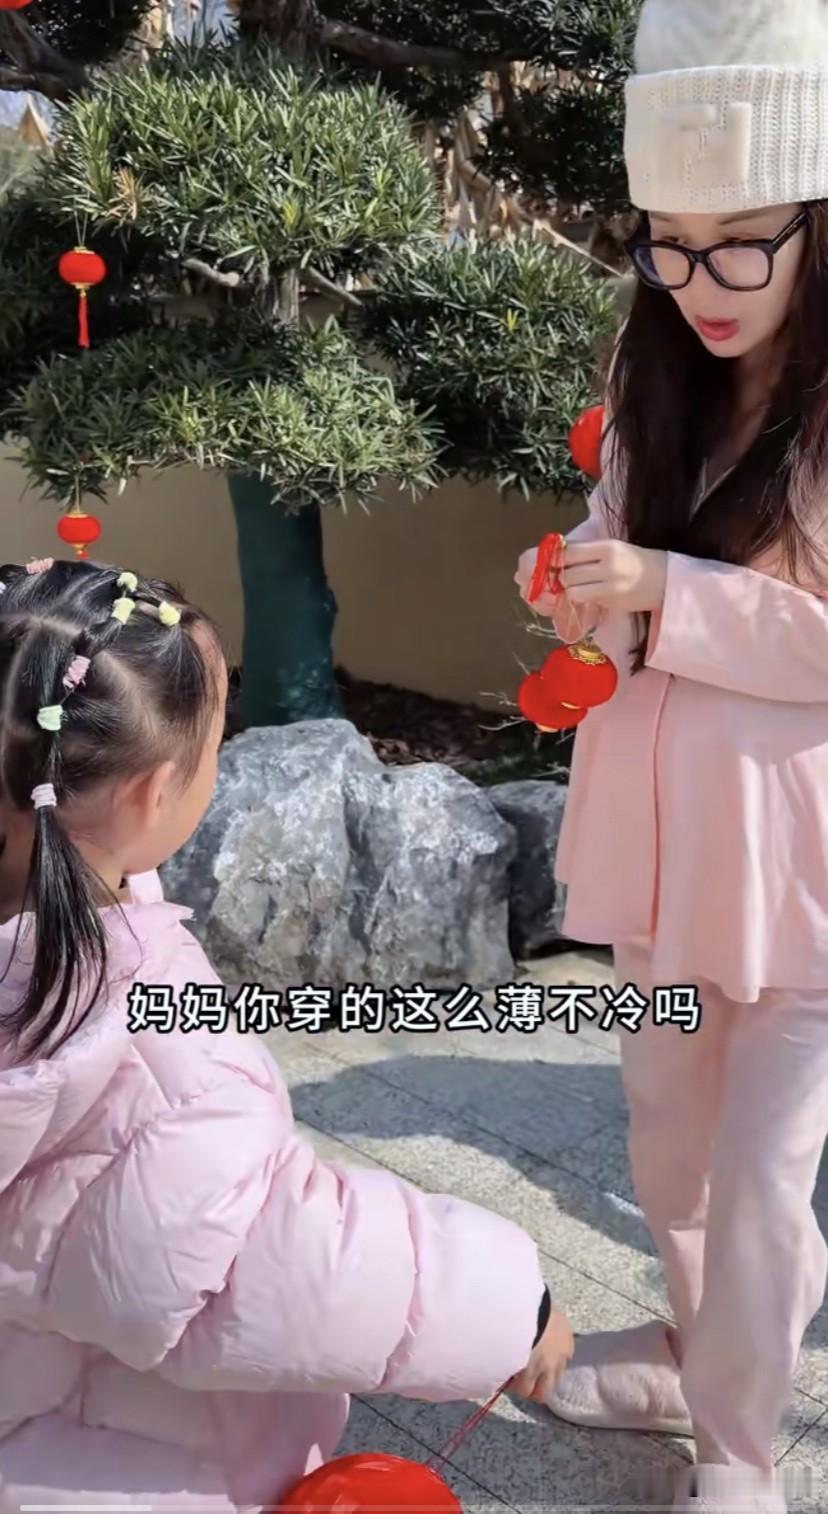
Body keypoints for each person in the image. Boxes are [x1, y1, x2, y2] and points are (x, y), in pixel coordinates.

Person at [0, 556, 573, 1513]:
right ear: (152, 793)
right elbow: (256, 1251)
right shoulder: (137, 1039)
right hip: (105, 1460)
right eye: (216, 742)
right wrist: (515, 1306)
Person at [515, 1, 828, 1509]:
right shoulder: (656, 370)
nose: (701, 283)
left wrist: (666, 592)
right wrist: (576, 579)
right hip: (660, 838)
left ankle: (740, 1450)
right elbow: (613, 536)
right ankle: (693, 1359)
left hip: (798, 864)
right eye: (670, 245)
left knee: (765, 1177)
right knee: (670, 1148)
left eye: (741, 245)